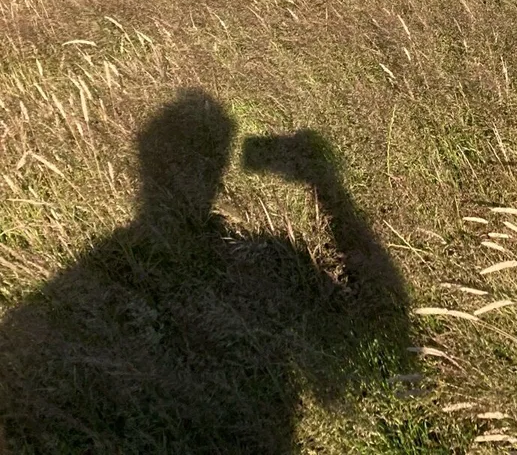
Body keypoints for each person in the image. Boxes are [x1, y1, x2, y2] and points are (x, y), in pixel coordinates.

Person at [0, 89, 409, 454]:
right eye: (203, 162)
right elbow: (374, 351)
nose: (207, 178)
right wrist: (328, 187)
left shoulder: (80, 286)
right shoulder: (251, 263)